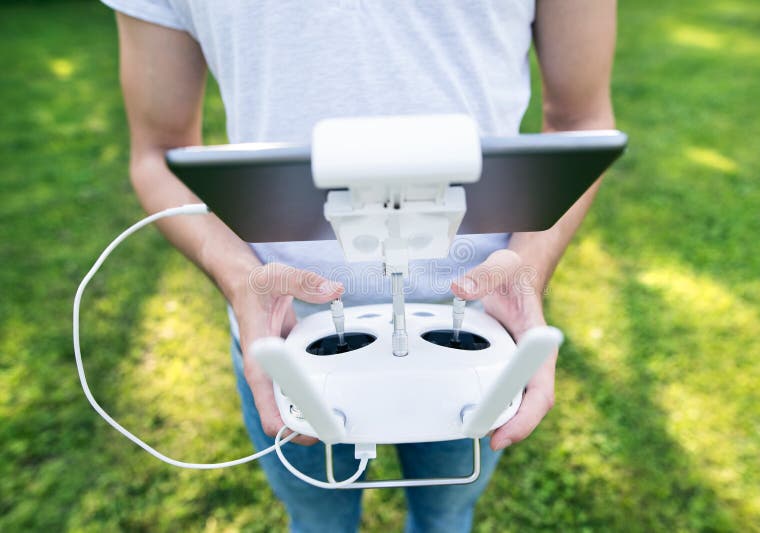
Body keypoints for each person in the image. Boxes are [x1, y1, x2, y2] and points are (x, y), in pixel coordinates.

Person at [101, 1, 617, 531]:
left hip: (479, 326)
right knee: (317, 519)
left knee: (446, 514)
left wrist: (529, 265)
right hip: (284, 333)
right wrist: (239, 278)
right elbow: (158, 152)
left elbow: (582, 122)